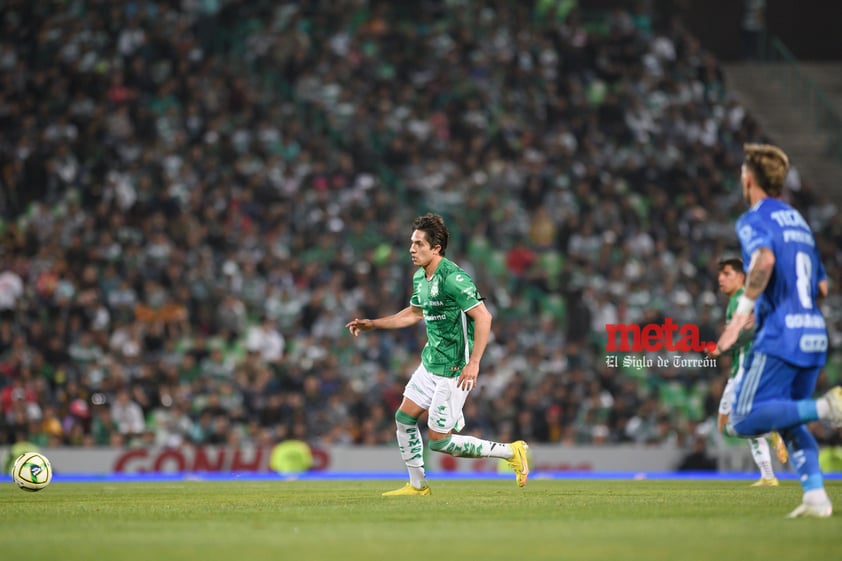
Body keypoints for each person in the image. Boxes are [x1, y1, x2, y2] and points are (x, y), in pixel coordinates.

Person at [346, 213, 529, 495]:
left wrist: (474, 363)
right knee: (403, 418)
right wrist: (374, 323)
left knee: (439, 441)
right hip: (430, 363)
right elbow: (415, 313)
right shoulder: (421, 277)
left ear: (436, 248)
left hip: (454, 369)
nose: (412, 249)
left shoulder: (454, 279)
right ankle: (417, 486)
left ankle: (510, 452)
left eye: (419, 243)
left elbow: (484, 317)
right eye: (412, 243)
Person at [713, 143, 842, 518]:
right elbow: (821, 287)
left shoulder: (754, 219)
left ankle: (826, 406)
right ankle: (816, 498)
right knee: (789, 420)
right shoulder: (799, 222)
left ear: (749, 179)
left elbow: (764, 260)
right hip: (815, 333)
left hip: (782, 334)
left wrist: (740, 318)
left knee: (743, 418)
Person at [711, 257, 788, 486]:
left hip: (747, 370)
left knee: (726, 425)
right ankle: (768, 476)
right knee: (738, 424)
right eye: (720, 275)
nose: (721, 279)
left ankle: (770, 431)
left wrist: (723, 345)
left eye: (727, 274)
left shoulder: (742, 300)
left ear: (741, 276)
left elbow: (752, 330)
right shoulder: (739, 300)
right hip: (744, 367)